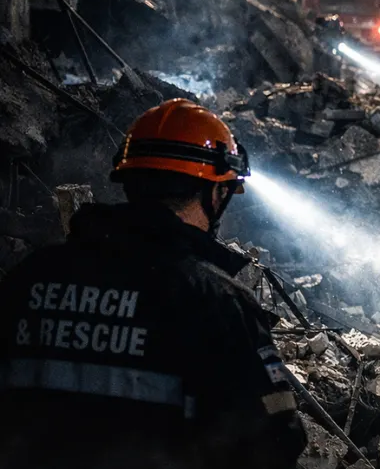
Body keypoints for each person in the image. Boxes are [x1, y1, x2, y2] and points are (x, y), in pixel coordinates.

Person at [0, 99, 307, 469]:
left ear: (130, 182)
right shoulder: (217, 303)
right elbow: (274, 442)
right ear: (215, 194)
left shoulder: (28, 278)